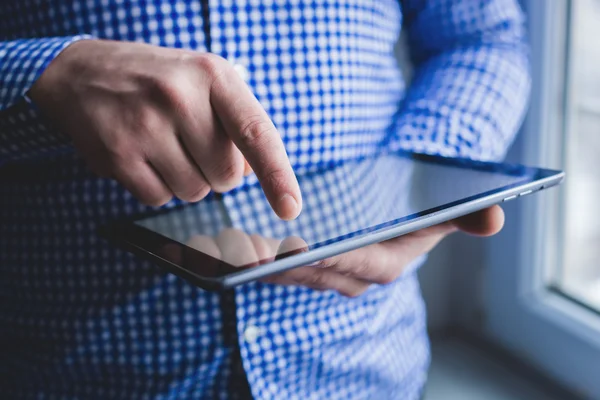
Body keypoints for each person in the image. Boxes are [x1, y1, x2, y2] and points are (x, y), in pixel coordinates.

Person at [0, 0, 530, 398]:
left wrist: (417, 180)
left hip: (365, 368)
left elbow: (482, 37)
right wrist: (48, 73)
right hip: (77, 374)